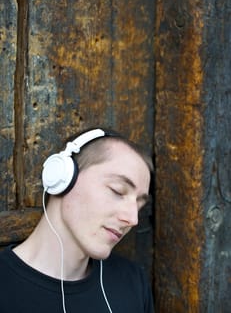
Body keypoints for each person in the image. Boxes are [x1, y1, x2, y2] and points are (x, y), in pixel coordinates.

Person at [0, 127, 154, 312]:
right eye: (117, 191)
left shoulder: (133, 282)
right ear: (62, 178)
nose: (132, 219)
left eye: (139, 204)